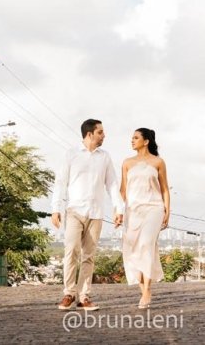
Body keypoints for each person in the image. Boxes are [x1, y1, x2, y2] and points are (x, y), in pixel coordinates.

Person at [50, 118, 124, 311]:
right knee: (71, 252)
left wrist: (119, 208)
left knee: (88, 256)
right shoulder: (71, 154)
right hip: (74, 211)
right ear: (89, 134)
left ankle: (84, 297)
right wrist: (56, 208)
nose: (104, 135)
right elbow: (60, 182)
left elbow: (112, 184)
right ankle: (69, 293)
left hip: (96, 213)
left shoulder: (105, 157)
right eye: (100, 132)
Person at [120, 128, 170, 309]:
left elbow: (165, 189)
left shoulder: (158, 162)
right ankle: (143, 289)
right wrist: (119, 211)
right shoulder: (127, 163)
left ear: (146, 141)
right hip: (133, 211)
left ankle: (147, 290)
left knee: (146, 244)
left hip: (154, 209)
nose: (132, 140)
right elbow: (123, 190)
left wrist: (167, 211)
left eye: (136, 137)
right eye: (131, 138)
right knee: (132, 249)